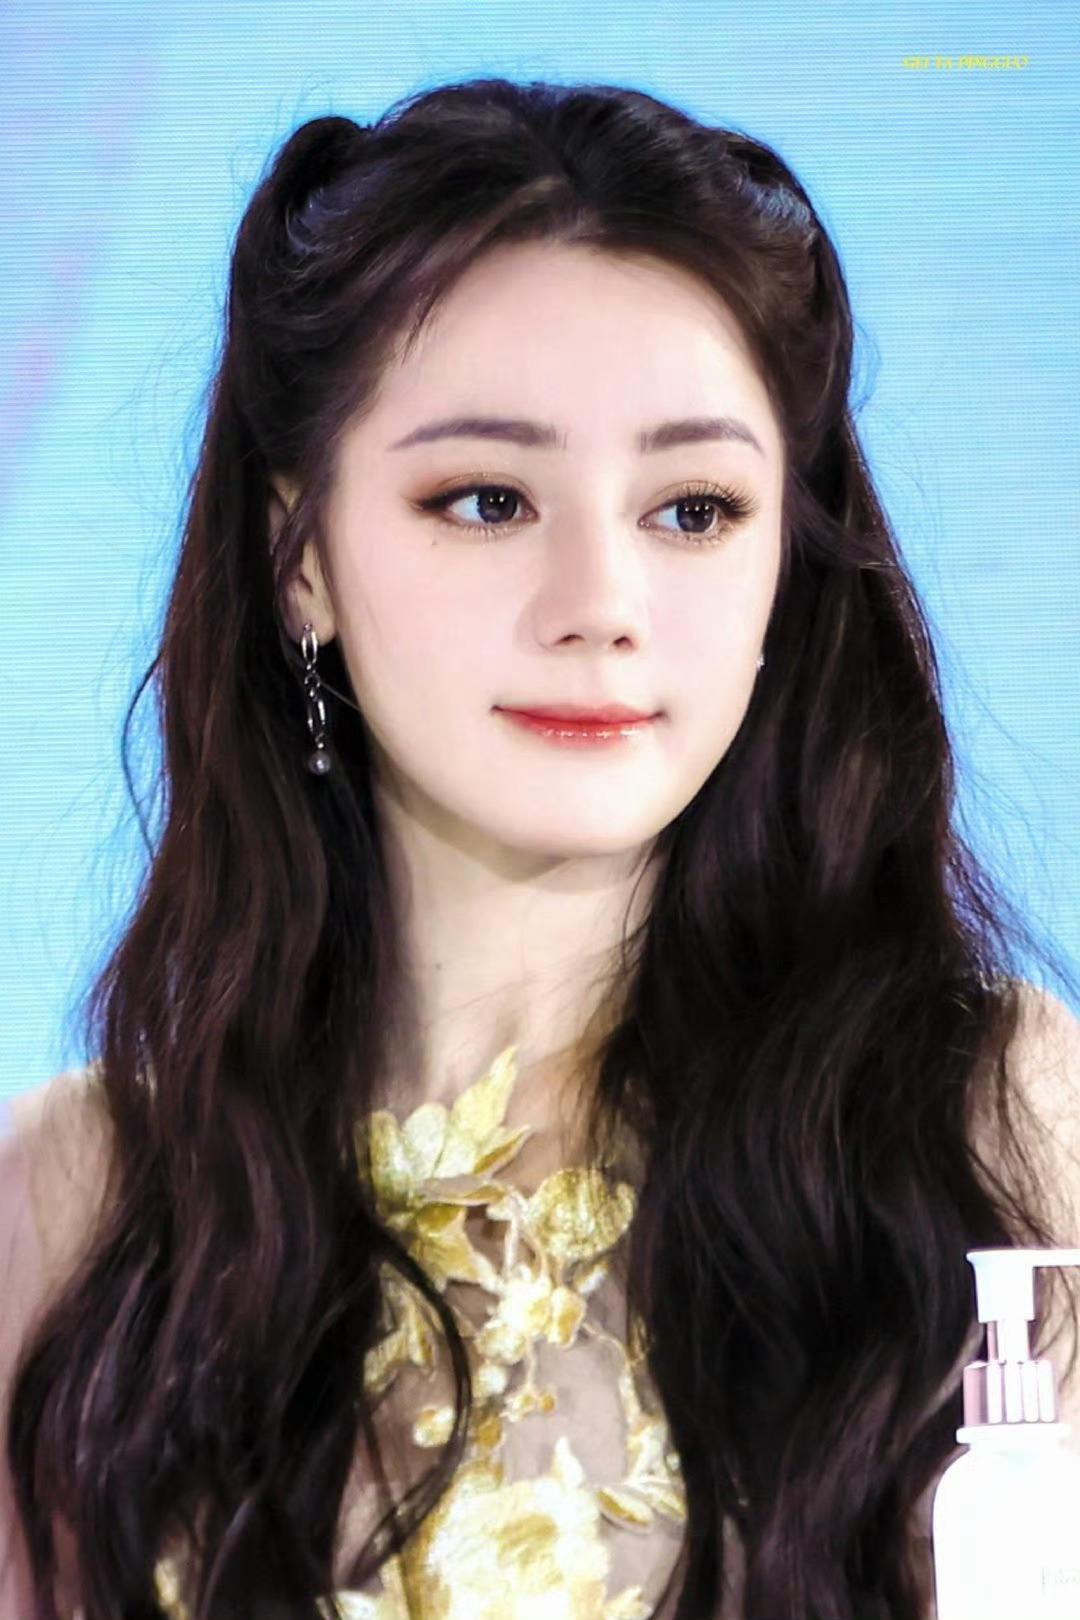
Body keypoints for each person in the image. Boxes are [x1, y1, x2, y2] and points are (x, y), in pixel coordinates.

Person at [1, 74, 1078, 1620]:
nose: (602, 602)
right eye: (488, 499)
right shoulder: (76, 1210)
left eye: (694, 510)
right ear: (299, 560)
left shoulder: (994, 1128)